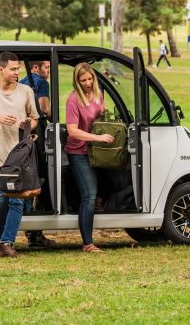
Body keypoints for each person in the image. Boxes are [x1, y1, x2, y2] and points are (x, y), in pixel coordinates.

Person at [0, 52, 39, 258]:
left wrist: (27, 125)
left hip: (20, 158)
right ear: (0, 69)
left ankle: (6, 243)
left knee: (17, 201)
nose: (17, 72)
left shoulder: (26, 91)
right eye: (13, 69)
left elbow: (35, 119)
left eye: (18, 68)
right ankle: (4, 241)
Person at [65, 63, 115, 253]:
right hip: (79, 152)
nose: (87, 83)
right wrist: (96, 137)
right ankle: (88, 243)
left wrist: (103, 115)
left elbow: (99, 116)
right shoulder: (73, 99)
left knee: (119, 180)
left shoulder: (98, 94)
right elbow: (72, 130)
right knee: (88, 195)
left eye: (90, 78)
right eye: (83, 80)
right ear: (77, 81)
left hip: (98, 150)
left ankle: (98, 199)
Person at [18, 61, 56, 249]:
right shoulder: (41, 83)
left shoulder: (22, 81)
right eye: (46, 67)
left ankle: (34, 233)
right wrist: (55, 119)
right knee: (43, 177)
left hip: (23, 135)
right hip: (37, 133)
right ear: (35, 68)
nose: (48, 71)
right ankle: (38, 227)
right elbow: (44, 109)